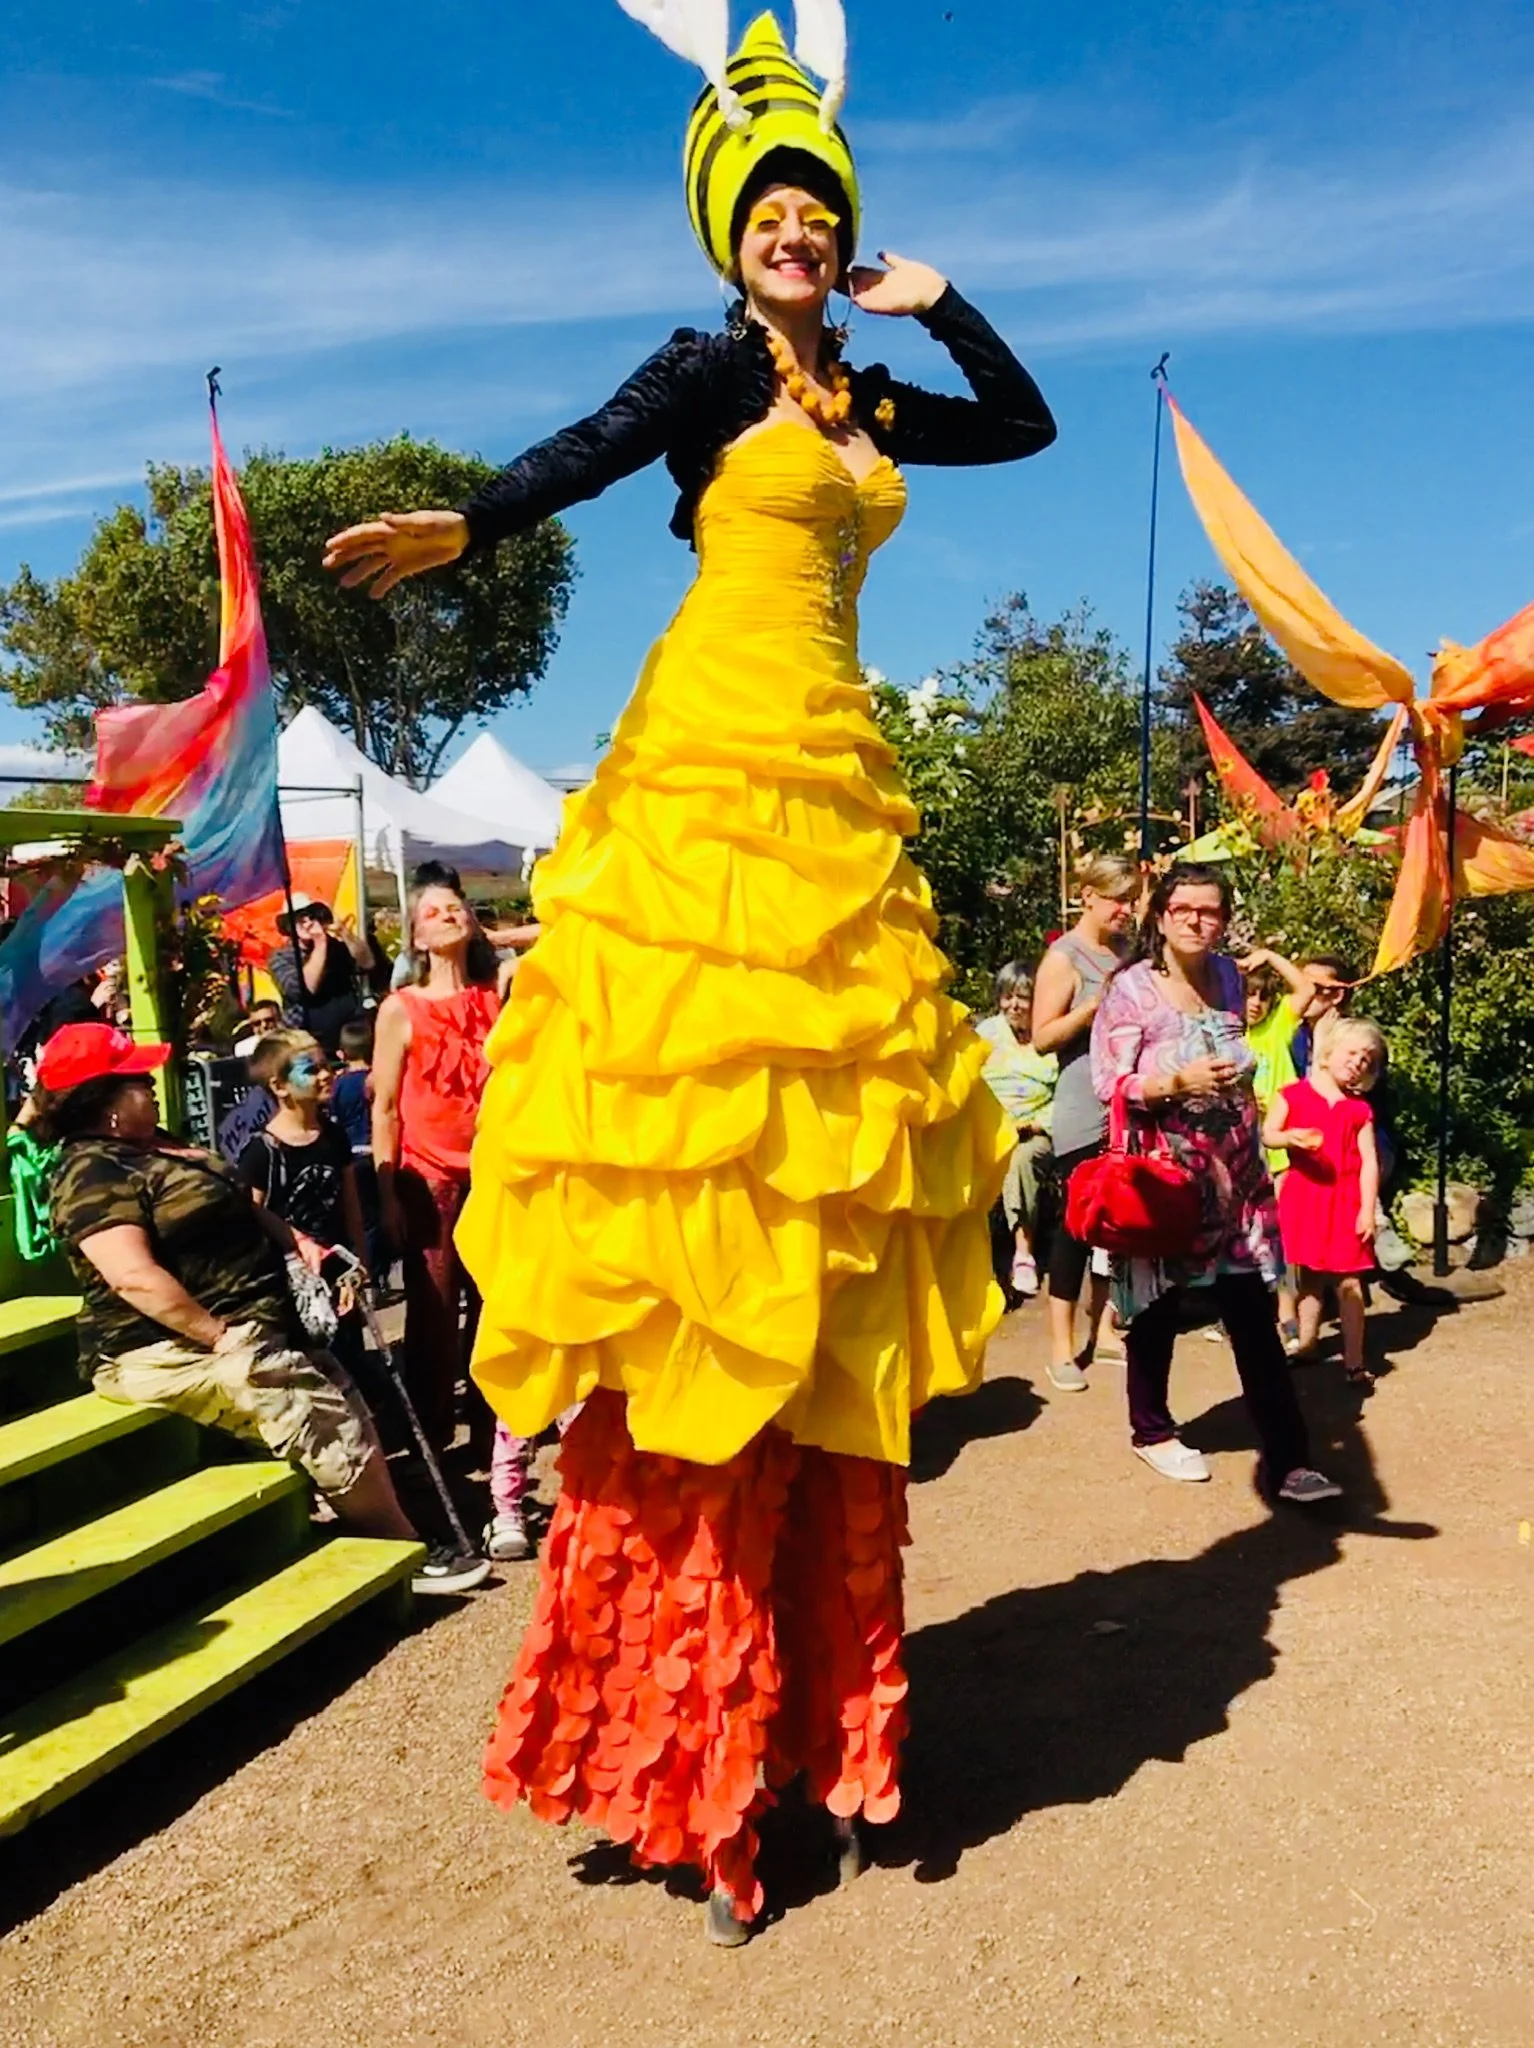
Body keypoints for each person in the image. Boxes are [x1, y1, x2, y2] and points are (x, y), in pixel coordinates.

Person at [325, 8, 1054, 1946]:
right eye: (765, 211)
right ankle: (693, 1755)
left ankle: (810, 1722)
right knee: (693, 1241)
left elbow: (1027, 424)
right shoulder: (710, 369)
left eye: (815, 206)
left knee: (811, 1237)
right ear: (726, 241)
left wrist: (943, 297)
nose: (793, 232)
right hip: (707, 795)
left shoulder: (869, 403)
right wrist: (467, 518)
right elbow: (587, 453)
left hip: (830, 807)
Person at [38, 1021, 488, 1593]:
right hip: (161, 1346)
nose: (151, 1086)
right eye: (136, 1080)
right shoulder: (90, 1171)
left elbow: (240, 1203)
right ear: (101, 1103)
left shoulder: (157, 1141)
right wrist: (220, 1335)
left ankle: (387, 1524)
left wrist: (301, 1243)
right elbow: (133, 1278)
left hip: (248, 1323)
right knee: (307, 1401)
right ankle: (400, 1551)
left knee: (336, 1383)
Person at [1090, 865, 1341, 1504]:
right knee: (1156, 1310)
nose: (1200, 922)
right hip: (1170, 1181)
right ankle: (1151, 1431)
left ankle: (1289, 1461)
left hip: (1240, 1180)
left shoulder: (1230, 976)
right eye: (1186, 910)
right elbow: (1109, 1084)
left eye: (1212, 911)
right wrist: (1176, 1083)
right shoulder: (1131, 992)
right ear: (1161, 915)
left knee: (1253, 1314)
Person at [370, 877, 501, 1450]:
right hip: (428, 1177)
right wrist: (388, 1194)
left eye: (457, 908)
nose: (448, 915)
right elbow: (385, 1108)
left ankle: (493, 1428)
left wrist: (493, 932)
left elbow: (564, 933)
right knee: (432, 1308)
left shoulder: (499, 992)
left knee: (496, 1302)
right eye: (433, 911)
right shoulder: (400, 1009)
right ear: (416, 937)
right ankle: (431, 1435)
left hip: (495, 1171)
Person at [1031, 853, 1140, 1390]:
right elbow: (1042, 1038)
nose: (1127, 908)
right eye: (1118, 897)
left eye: (1131, 897)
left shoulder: (1127, 953)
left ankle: (1108, 1330)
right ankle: (1060, 1346)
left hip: (1129, 1106)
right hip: (1081, 1107)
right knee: (1075, 1228)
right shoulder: (1064, 957)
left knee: (1120, 1224)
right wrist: (1091, 1008)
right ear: (1089, 896)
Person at [1264, 1018, 1384, 1384]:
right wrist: (1290, 1139)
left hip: (1346, 1201)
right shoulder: (1292, 1094)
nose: (1358, 1062)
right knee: (1309, 1277)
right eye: (1352, 1053)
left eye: (1366, 1059)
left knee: (1350, 1281)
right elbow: (1269, 1134)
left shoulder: (1359, 1110)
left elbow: (1369, 1163)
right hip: (1305, 1196)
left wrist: (1367, 1209)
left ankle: (1353, 1361)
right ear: (1328, 1053)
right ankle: (1307, 1341)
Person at [1237, 946, 1317, 1350]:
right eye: (1248, 994)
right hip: (1239, 1147)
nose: (1255, 1003)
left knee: (1280, 1230)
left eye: (1262, 996)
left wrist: (1268, 956)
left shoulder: (1277, 1028)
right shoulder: (1227, 1034)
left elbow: (1304, 988)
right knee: (1242, 1233)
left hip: (1280, 1148)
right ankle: (1241, 1313)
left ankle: (1286, 1312)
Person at [975, 961, 1056, 1296]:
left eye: (1023, 997)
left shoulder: (1050, 1036)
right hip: (987, 1126)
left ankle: (1023, 1253)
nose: (1014, 1005)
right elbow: (968, 1085)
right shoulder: (987, 1035)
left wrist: (1036, 1124)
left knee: (1021, 1158)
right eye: (1007, 997)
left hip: (1036, 1131)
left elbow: (1065, 1096)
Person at [267, 894, 375, 1055]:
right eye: (300, 920)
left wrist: (344, 933)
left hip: (349, 1037)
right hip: (309, 1041)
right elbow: (304, 988)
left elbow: (367, 963)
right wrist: (320, 942)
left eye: (311, 916)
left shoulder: (335, 948)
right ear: (289, 926)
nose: (308, 923)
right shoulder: (281, 958)